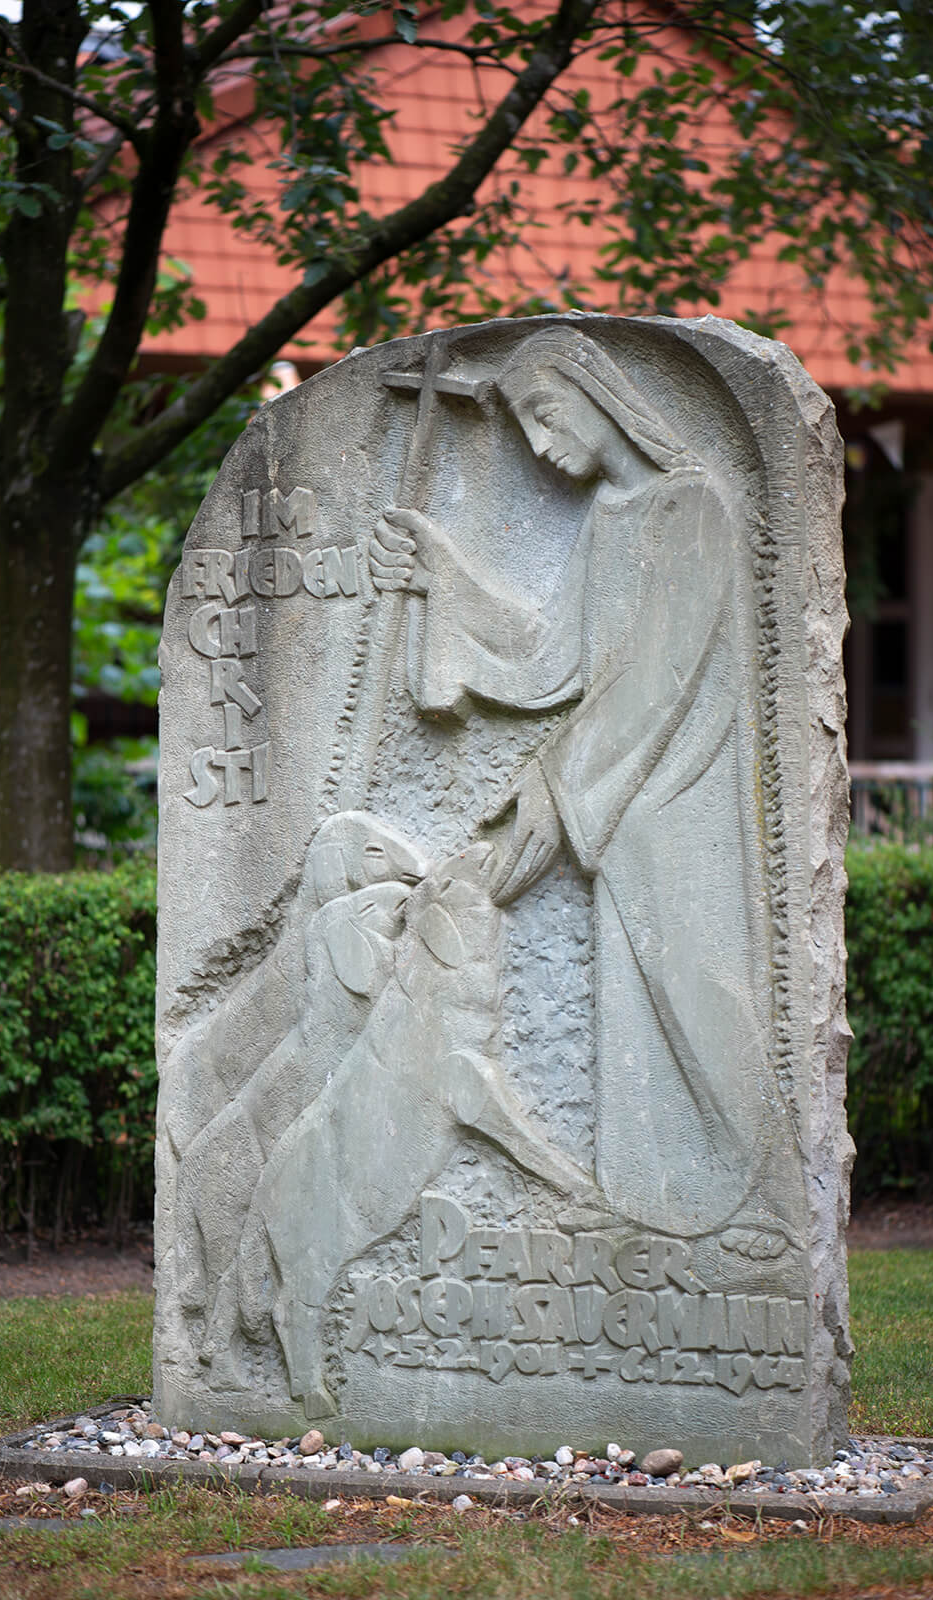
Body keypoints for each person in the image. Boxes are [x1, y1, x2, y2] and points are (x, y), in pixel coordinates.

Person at [370, 328, 805, 1260]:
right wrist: (444, 576)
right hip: (619, 810)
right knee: (632, 999)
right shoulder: (608, 520)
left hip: (677, 796)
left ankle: (767, 1194)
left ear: (598, 396)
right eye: (524, 424)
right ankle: (653, 1205)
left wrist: (555, 780)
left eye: (546, 413)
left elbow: (661, 677)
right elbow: (549, 657)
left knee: (694, 985)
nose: (538, 444)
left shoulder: (693, 508)